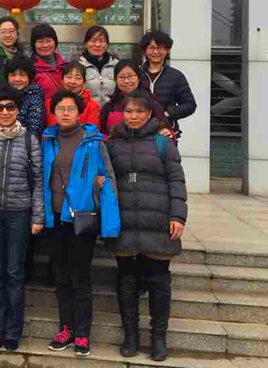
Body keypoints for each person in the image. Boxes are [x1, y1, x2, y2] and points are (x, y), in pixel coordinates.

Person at [106, 91, 187, 362]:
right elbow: (105, 178)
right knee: (127, 280)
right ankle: (130, 336)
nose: (133, 116)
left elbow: (177, 181)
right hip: (125, 221)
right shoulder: (113, 143)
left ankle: (158, 337)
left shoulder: (163, 143)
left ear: (149, 114)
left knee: (158, 280)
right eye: (129, 111)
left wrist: (178, 216)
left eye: (139, 111)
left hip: (157, 220)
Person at [42, 89, 120, 358]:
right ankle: (66, 328)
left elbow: (108, 179)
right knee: (61, 277)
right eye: (60, 109)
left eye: (71, 109)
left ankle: (83, 333)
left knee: (81, 277)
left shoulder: (93, 142)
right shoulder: (46, 140)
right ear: (53, 112)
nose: (65, 113)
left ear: (79, 112)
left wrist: (110, 223)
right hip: (55, 219)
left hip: (81, 219)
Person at [0, 86, 44, 352]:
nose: (4, 112)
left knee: (14, 272)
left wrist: (37, 216)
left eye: (10, 107)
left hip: (19, 213)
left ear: (18, 110)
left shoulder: (29, 140)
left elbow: (37, 180)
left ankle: (12, 331)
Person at [139, 30, 197, 139]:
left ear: (167, 50)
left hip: (167, 132)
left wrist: (167, 113)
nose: (155, 51)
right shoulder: (137, 75)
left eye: (160, 48)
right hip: (139, 132)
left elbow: (190, 105)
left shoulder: (176, 76)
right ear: (145, 51)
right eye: (151, 48)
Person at [100, 60, 172, 138]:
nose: (126, 81)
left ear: (139, 78)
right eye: (121, 77)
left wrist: (167, 134)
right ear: (115, 80)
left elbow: (166, 132)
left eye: (130, 76)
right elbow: (101, 134)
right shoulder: (109, 106)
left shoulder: (150, 103)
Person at [46, 61, 101, 129]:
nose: (73, 82)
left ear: (84, 82)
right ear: (62, 80)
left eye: (78, 78)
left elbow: (92, 132)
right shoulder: (50, 103)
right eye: (69, 77)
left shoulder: (92, 106)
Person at [4, 55, 46, 136]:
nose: (17, 79)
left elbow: (33, 130)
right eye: (13, 75)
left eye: (22, 75)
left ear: (29, 77)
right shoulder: (4, 95)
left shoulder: (34, 98)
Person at [79, 26, 119, 106]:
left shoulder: (116, 65)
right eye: (93, 41)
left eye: (101, 41)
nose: (97, 45)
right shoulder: (78, 65)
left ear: (107, 44)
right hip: (87, 111)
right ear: (85, 44)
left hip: (111, 111)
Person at [31, 23, 67, 105]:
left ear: (55, 42)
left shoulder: (65, 66)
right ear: (33, 44)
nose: (45, 45)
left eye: (49, 41)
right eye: (40, 42)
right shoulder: (29, 68)